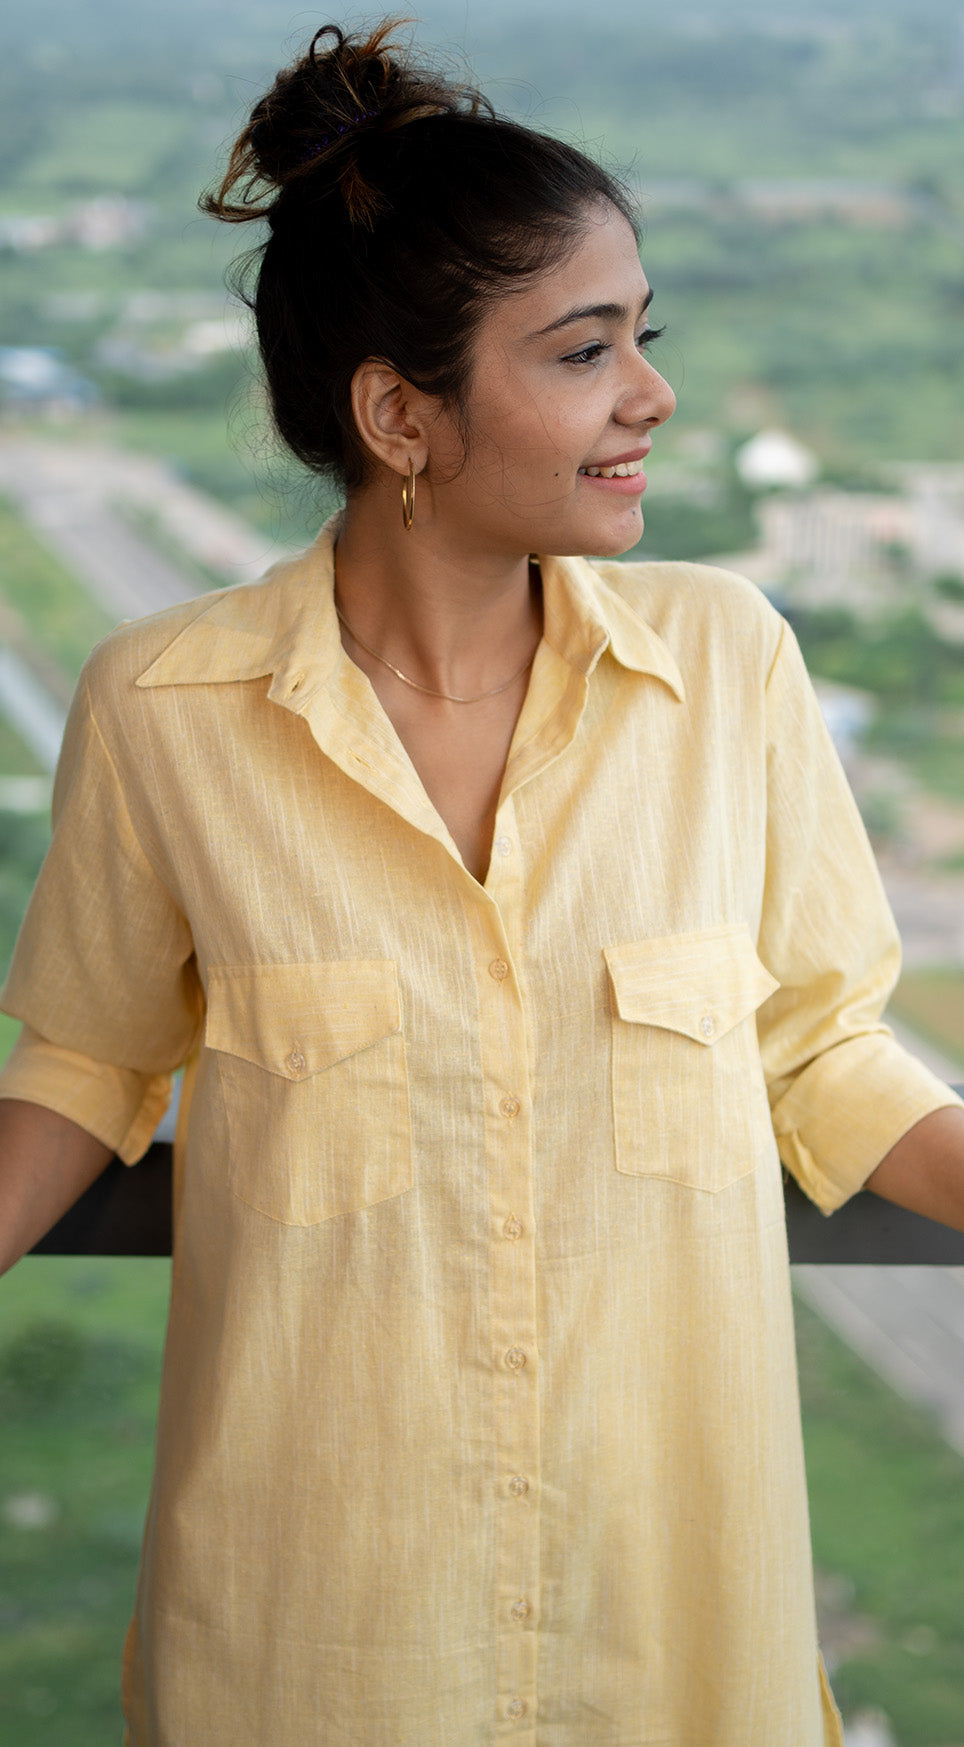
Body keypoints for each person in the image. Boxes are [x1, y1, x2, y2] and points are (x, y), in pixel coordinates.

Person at [1, 19, 963, 1745]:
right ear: (400, 414)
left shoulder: (728, 667)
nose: (652, 395)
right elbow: (84, 1066)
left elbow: (823, 1056)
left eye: (639, 339)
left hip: (677, 1649)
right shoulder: (164, 711)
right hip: (310, 1657)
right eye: (587, 352)